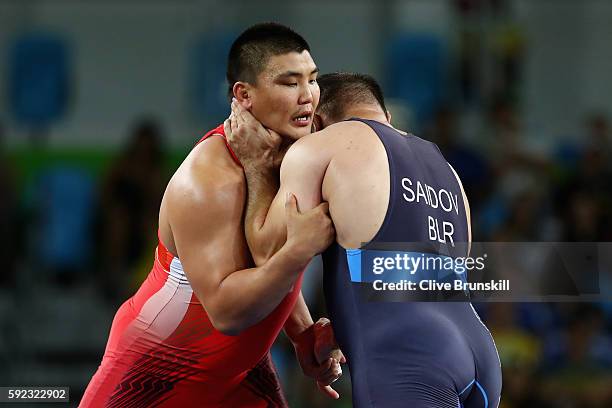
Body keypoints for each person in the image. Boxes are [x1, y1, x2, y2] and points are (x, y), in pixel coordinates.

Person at [81, 23, 343, 408]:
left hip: (239, 371)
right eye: (290, 83)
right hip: (154, 375)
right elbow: (226, 311)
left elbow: (263, 261)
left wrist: (303, 333)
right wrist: (297, 253)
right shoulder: (208, 180)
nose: (308, 97)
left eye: (312, 80)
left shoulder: (288, 155)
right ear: (244, 95)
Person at [226, 72, 502, 408]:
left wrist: (256, 165)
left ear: (317, 120)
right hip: (479, 354)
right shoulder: (446, 169)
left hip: (407, 355)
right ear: (387, 118)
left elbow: (266, 250)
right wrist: (338, 331)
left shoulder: (325, 143)